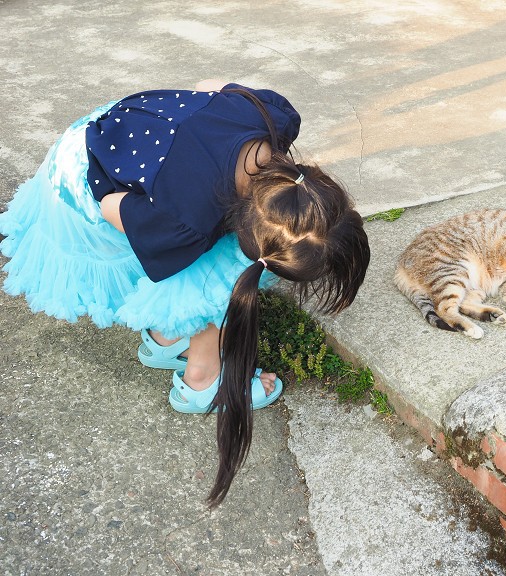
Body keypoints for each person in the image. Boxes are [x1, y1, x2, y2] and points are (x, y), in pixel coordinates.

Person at [0, 79, 370, 507]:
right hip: (76, 190)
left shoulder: (272, 118)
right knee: (221, 273)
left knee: (191, 251)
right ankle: (201, 381)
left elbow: (208, 86)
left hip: (106, 130)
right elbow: (110, 207)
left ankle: (166, 339)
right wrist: (119, 190)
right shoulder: (184, 221)